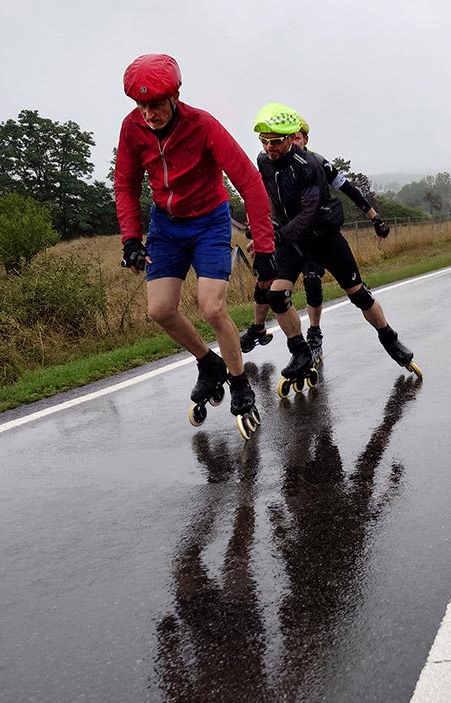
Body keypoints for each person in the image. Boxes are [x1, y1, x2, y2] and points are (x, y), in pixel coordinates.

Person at [114, 54, 276, 440]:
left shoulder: (201, 125)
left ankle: (239, 383)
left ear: (175, 96)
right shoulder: (132, 127)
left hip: (208, 221)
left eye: (155, 104)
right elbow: (125, 183)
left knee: (212, 306)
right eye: (141, 105)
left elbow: (250, 182)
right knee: (159, 309)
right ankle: (208, 364)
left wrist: (265, 246)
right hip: (166, 226)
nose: (148, 113)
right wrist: (132, 238)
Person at [252, 102, 420, 396]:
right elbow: (269, 201)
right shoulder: (263, 161)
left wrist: (375, 218)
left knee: (358, 295)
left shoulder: (313, 165)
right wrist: (264, 232)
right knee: (276, 295)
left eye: (275, 141)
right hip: (291, 241)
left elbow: (311, 211)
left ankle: (389, 338)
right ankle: (301, 350)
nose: (269, 147)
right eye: (264, 141)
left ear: (293, 138)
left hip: (323, 237)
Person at [240, 116, 391, 363]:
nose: (275, 147)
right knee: (265, 281)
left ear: (302, 139)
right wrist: (255, 227)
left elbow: (350, 190)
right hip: (286, 233)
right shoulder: (270, 161)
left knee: (312, 281)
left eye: (297, 138)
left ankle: (315, 331)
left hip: (315, 232)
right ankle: (258, 328)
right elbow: (259, 193)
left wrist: (375, 218)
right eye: (268, 142)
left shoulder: (318, 164)